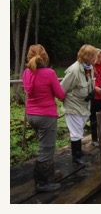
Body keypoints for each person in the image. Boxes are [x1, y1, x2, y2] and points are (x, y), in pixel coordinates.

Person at [22, 44, 66, 192]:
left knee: (44, 146)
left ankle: (50, 174)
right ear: (44, 56)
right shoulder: (49, 73)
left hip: (31, 115)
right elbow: (60, 95)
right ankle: (41, 183)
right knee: (46, 149)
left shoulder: (26, 73)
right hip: (46, 116)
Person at [60, 44, 97, 166]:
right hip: (73, 106)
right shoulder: (74, 70)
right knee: (75, 133)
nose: (95, 58)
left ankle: (79, 152)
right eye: (93, 56)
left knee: (79, 130)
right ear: (86, 56)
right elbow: (62, 89)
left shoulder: (89, 68)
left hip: (84, 105)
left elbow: (89, 83)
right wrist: (68, 101)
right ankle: (76, 158)